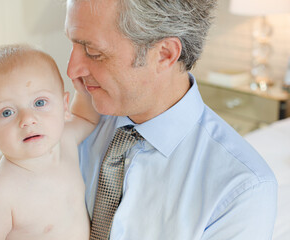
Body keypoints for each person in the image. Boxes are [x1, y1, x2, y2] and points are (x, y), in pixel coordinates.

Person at [65, 0, 278, 239]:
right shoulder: (68, 126)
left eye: (94, 53)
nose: (72, 70)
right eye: (72, 44)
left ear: (165, 54)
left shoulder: (242, 190)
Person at [0, 44, 99, 240]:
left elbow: (87, 118)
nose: (28, 119)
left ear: (64, 106)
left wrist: (87, 85)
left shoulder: (65, 140)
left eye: (39, 102)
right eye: (7, 112)